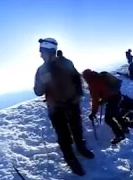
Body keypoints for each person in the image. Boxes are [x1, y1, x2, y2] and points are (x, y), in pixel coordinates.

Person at [33, 38, 94, 176]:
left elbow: (77, 78)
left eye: (41, 51)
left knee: (77, 129)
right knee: (63, 135)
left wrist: (78, 94)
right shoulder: (41, 70)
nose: (40, 54)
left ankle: (80, 147)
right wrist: (42, 82)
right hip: (56, 108)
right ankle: (70, 158)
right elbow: (38, 92)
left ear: (49, 51)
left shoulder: (66, 63)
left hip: (72, 103)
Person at [82, 69, 129, 145]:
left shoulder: (93, 85)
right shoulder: (100, 77)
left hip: (112, 98)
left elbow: (95, 100)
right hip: (117, 95)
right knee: (116, 113)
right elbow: (105, 90)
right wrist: (103, 99)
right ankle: (125, 128)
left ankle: (119, 135)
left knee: (108, 118)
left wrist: (93, 112)